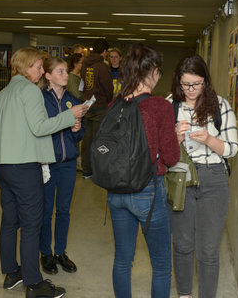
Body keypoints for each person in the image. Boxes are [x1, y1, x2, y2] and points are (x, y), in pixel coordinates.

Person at [0, 47, 88, 298]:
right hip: (24, 167)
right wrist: (69, 115)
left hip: (3, 167)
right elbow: (40, 127)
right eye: (38, 67)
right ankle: (34, 284)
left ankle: (12, 273)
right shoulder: (30, 92)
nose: (41, 71)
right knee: (32, 225)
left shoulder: (1, 95)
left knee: (10, 221)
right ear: (24, 66)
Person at [107, 43, 179, 298]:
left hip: (116, 192)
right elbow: (170, 158)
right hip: (147, 191)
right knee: (161, 265)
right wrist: (176, 137)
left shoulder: (116, 104)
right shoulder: (160, 106)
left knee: (122, 260)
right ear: (154, 71)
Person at [169, 55, 238, 298]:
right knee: (183, 245)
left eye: (196, 84)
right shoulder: (170, 105)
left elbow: (231, 149)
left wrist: (209, 139)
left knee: (208, 250)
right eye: (185, 84)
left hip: (213, 178)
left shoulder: (221, 106)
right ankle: (184, 295)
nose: (190, 90)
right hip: (180, 178)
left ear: (205, 82)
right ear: (178, 82)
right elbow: (159, 152)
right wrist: (174, 138)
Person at [38, 57, 85, 276]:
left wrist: (77, 131)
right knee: (46, 211)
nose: (66, 75)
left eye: (66, 71)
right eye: (60, 71)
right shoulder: (39, 100)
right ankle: (45, 253)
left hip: (68, 165)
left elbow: (81, 133)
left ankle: (60, 252)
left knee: (64, 210)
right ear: (47, 75)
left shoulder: (73, 100)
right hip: (48, 164)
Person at [80, 38, 113, 178]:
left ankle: (86, 169)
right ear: (104, 52)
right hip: (100, 107)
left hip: (87, 106)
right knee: (99, 140)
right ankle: (97, 170)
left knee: (86, 140)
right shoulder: (103, 67)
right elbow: (108, 88)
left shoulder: (85, 65)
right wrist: (108, 100)